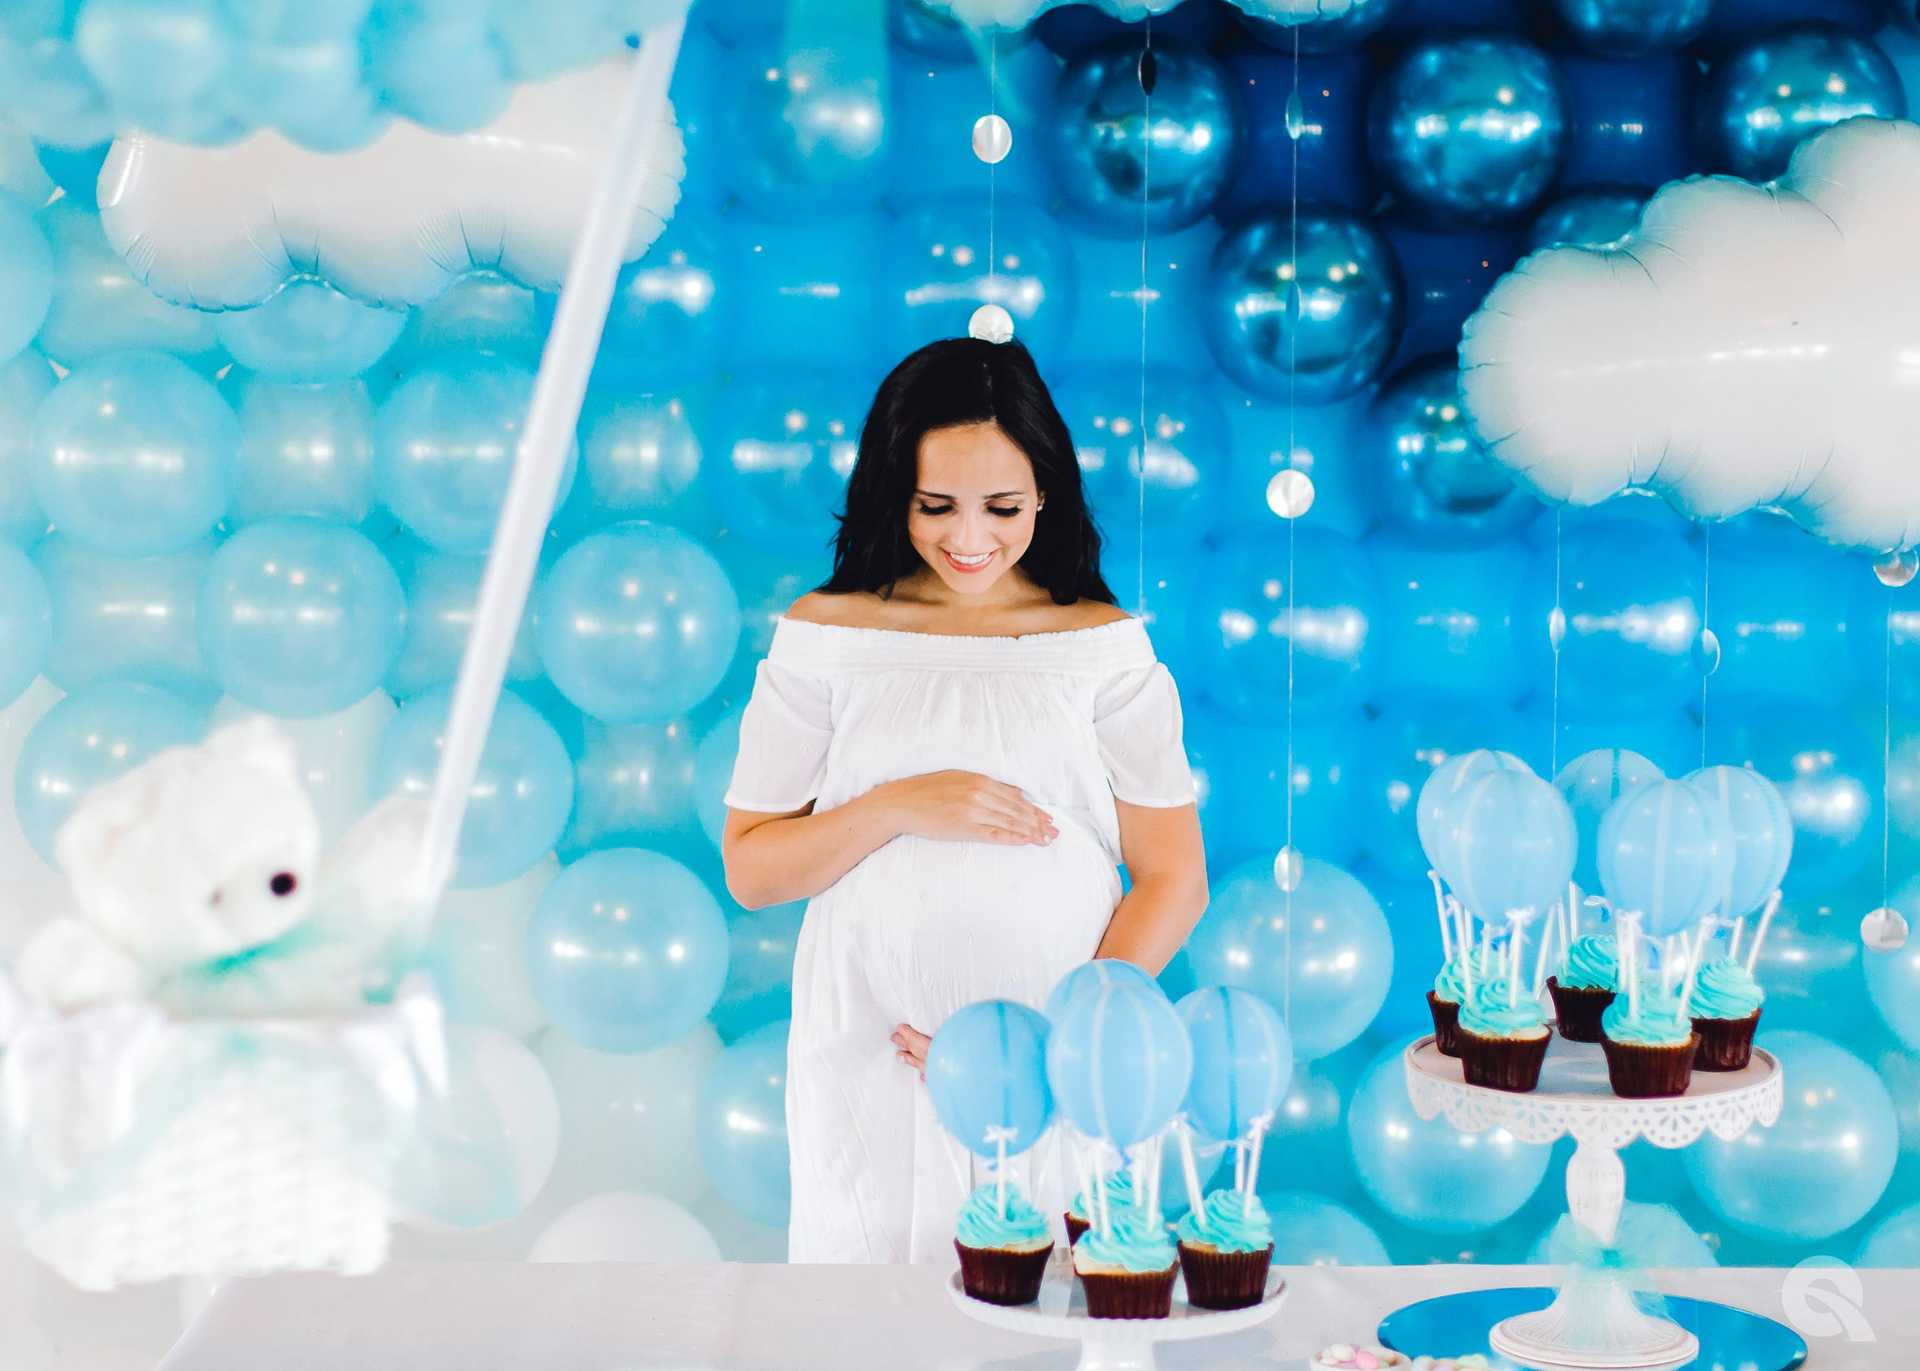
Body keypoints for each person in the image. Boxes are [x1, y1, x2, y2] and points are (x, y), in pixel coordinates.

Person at [720, 336, 1206, 1264]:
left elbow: (1175, 877)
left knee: (1052, 1310)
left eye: (1003, 507)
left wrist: (1051, 1049)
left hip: (1055, 1068)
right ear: (891, 493)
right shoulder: (827, 634)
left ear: (1047, 496)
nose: (970, 538)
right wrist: (898, 804)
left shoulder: (1101, 646)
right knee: (872, 1314)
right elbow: (751, 867)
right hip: (873, 1054)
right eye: (935, 506)